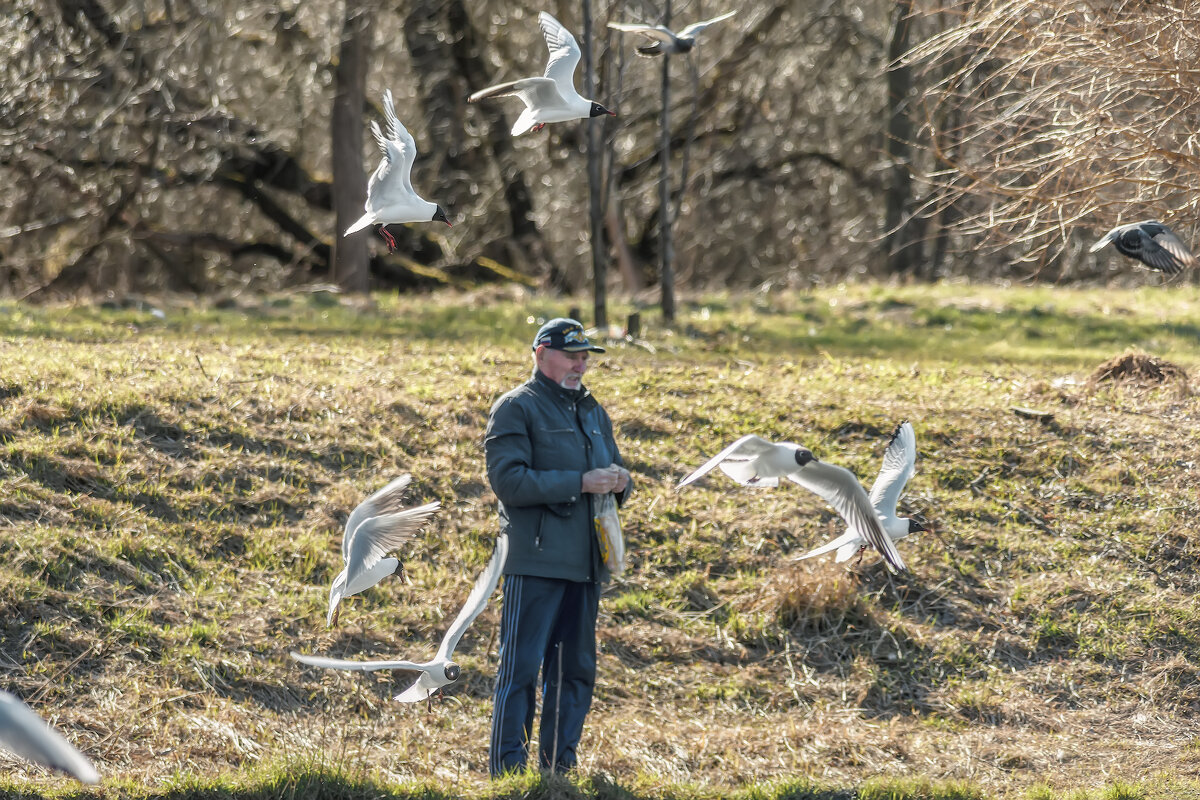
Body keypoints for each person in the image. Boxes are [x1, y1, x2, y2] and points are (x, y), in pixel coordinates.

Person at [484, 317, 632, 777]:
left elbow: (615, 473)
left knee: (575, 675)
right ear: (540, 353)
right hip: (535, 563)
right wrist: (580, 482)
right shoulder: (515, 407)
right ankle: (508, 776)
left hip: (586, 565)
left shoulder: (593, 411)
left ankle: (557, 773)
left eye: (585, 356)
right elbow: (507, 481)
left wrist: (622, 482)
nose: (580, 365)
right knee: (521, 671)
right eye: (572, 355)